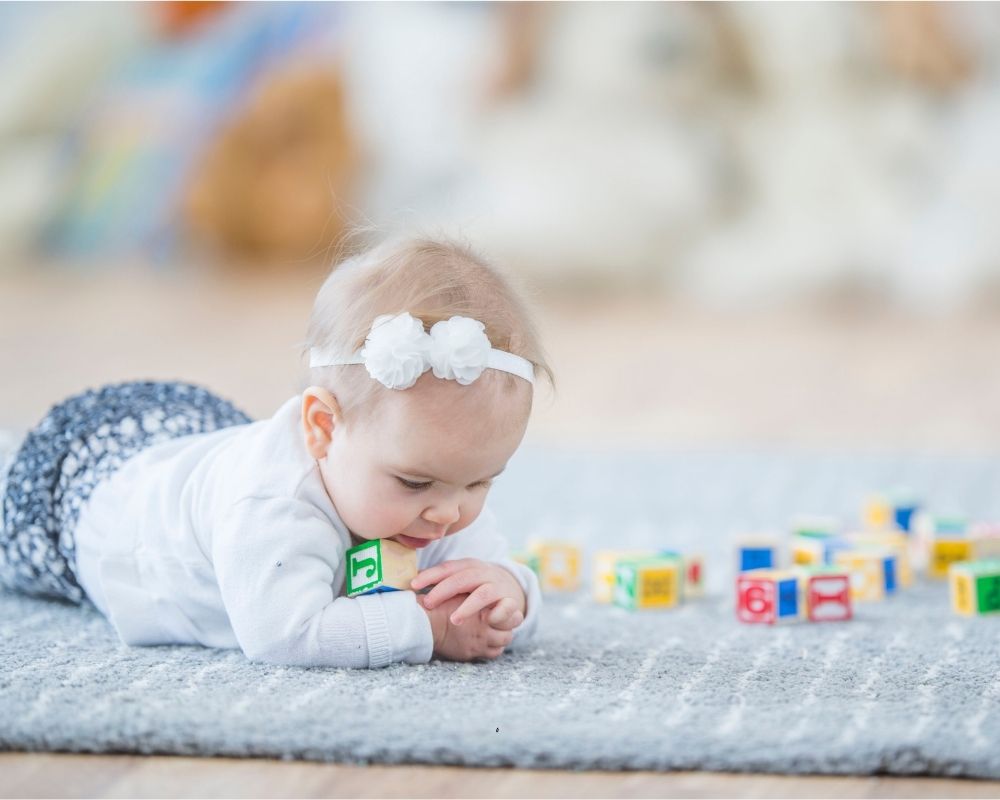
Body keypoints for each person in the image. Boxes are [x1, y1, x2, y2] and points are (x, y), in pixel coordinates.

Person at [0, 237, 552, 668]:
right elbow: (284, 633)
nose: (449, 514)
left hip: (196, 454)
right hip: (97, 510)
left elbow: (491, 577)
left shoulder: (437, 482)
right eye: (414, 483)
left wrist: (509, 594)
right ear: (322, 429)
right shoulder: (272, 505)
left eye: (481, 483)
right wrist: (426, 630)